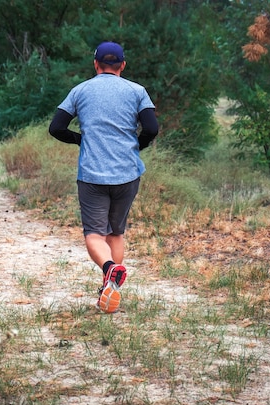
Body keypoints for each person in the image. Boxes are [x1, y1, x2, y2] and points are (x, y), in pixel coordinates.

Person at [48, 41, 159, 314]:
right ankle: (109, 292)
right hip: (127, 174)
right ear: (122, 65)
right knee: (116, 233)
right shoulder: (137, 91)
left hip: (92, 175)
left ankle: (110, 270)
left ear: (96, 64)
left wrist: (80, 140)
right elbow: (152, 128)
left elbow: (56, 127)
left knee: (95, 234)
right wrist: (137, 146)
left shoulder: (80, 90)